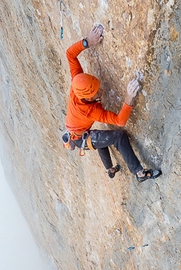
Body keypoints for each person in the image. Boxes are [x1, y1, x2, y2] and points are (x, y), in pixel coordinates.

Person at [64, 24, 162, 183]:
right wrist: (128, 98)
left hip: (76, 132)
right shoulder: (90, 111)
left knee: (100, 139)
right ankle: (139, 173)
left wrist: (88, 41)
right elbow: (120, 121)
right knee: (117, 137)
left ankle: (110, 170)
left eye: (98, 87)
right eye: (97, 92)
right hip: (79, 138)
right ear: (88, 99)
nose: (101, 91)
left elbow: (70, 55)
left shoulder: (77, 82)